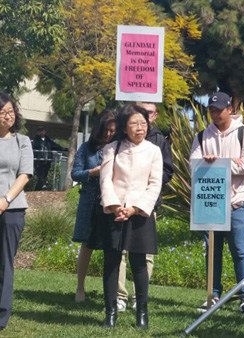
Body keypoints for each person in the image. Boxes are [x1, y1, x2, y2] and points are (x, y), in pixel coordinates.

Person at [95, 104, 163, 329]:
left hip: (139, 213)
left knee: (139, 263)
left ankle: (142, 313)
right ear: (124, 127)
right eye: (134, 124)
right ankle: (110, 312)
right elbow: (105, 179)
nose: (139, 128)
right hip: (115, 212)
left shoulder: (154, 151)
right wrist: (115, 206)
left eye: (143, 123)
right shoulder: (112, 149)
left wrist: (135, 208)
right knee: (112, 263)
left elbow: (155, 184)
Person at [189, 92, 244, 313]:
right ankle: (213, 294)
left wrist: (217, 162)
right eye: (212, 110)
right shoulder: (201, 136)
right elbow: (194, 166)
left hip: (237, 202)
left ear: (230, 109)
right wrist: (230, 163)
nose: (215, 114)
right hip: (210, 203)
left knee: (240, 251)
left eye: (219, 109)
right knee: (212, 252)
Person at [116, 102, 174, 312]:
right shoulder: (118, 143)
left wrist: (145, 192)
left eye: (148, 113)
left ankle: (139, 297)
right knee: (119, 252)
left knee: (144, 255)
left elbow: (166, 172)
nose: (143, 118)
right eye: (139, 114)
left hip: (147, 206)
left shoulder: (159, 142)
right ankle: (119, 295)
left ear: (155, 116)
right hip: (121, 207)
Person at [71, 110, 117, 302]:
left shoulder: (119, 147)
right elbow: (75, 174)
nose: (108, 134)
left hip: (111, 201)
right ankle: (80, 288)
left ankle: (113, 293)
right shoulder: (86, 148)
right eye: (106, 130)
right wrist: (92, 172)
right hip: (90, 201)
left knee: (112, 247)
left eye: (112, 131)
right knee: (87, 245)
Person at [0, 92, 33, 330]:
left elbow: (24, 175)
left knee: (4, 262)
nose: (7, 116)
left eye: (10, 111)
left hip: (12, 209)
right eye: (2, 112)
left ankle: (1, 315)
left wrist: (6, 199)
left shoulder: (22, 141)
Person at [31, 126, 67, 190]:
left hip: (47, 160)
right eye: (39, 131)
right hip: (38, 161)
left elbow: (55, 146)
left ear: (45, 132)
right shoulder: (35, 140)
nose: (41, 132)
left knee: (44, 176)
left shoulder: (48, 140)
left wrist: (64, 149)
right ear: (37, 132)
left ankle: (38, 189)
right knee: (40, 176)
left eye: (42, 130)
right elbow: (32, 147)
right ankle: (39, 189)